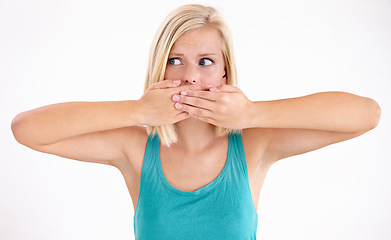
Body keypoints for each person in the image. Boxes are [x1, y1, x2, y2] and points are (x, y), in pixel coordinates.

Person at [11, 4, 381, 240]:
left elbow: (366, 115)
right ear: (160, 67)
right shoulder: (134, 150)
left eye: (205, 62)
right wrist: (138, 111)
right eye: (175, 60)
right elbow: (25, 129)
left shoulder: (253, 145)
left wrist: (252, 113)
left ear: (224, 73)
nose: (190, 76)